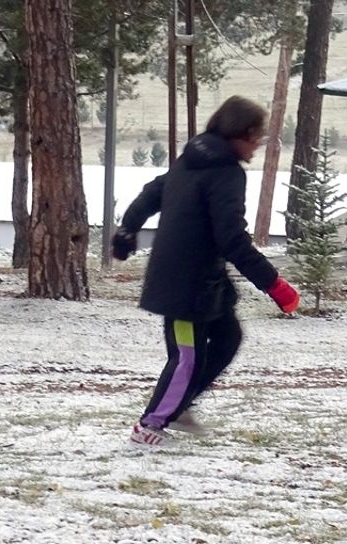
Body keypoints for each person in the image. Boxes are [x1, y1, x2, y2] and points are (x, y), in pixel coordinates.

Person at [111, 96, 300, 447]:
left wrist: (127, 229)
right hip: (183, 285)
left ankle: (178, 403)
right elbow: (231, 238)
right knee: (187, 357)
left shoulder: (192, 161)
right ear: (240, 135)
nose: (258, 146)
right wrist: (274, 284)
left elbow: (152, 194)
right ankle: (150, 425)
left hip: (205, 280)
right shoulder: (226, 173)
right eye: (257, 137)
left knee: (228, 339)